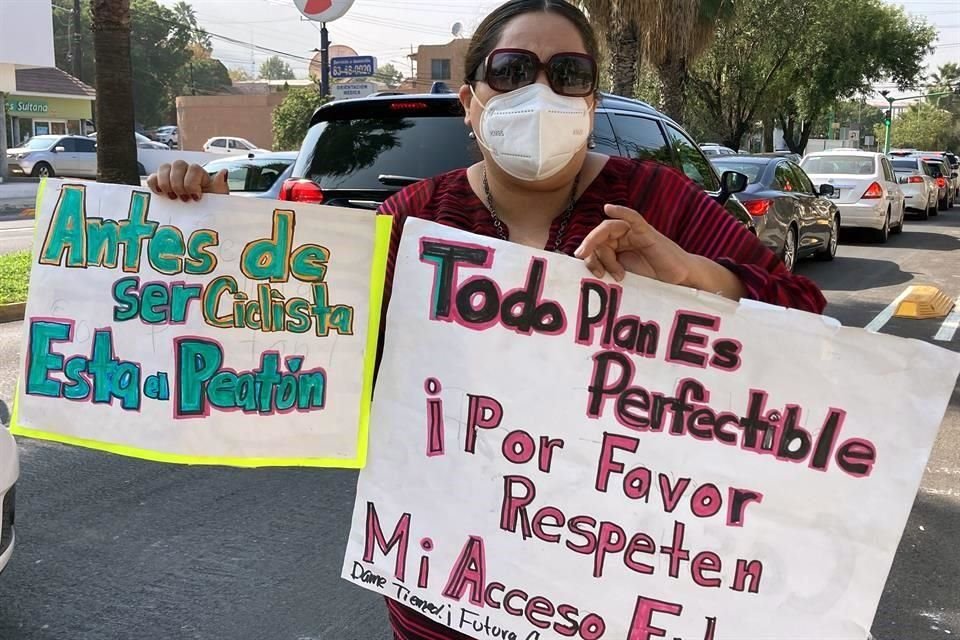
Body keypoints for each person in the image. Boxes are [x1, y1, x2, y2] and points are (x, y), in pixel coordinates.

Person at [149, 1, 825, 636]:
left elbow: (809, 327)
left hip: (619, 582)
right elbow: (315, 362)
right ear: (470, 102)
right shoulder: (413, 220)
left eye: (568, 74)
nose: (540, 93)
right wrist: (213, 245)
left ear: (591, 102)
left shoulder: (657, 201)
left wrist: (690, 275)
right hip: (450, 589)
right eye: (510, 72)